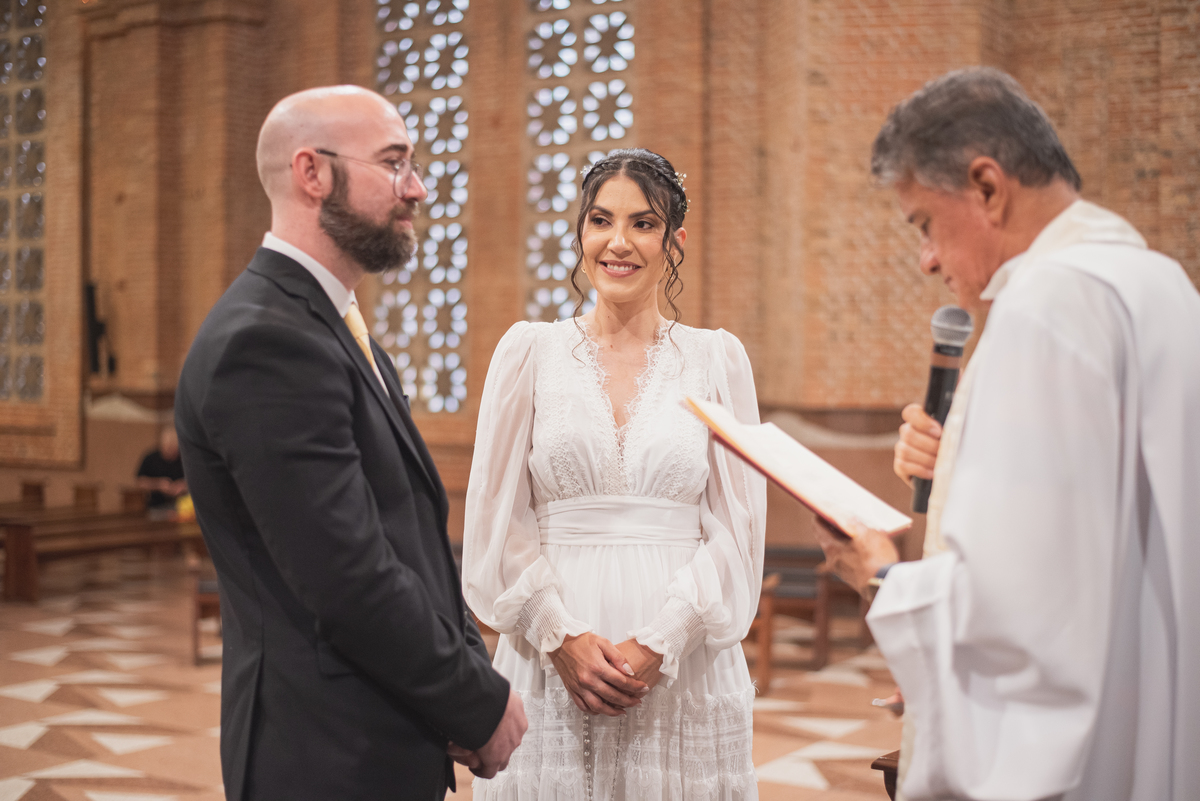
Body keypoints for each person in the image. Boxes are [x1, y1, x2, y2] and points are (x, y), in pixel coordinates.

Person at [815, 67, 1200, 801]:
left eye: (924, 223)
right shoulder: (1162, 286)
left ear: (987, 186)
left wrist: (877, 572)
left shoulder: (1043, 306)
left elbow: (1018, 621)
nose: (927, 258)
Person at [175, 86, 525, 801]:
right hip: (322, 754)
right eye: (395, 163)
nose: (418, 188)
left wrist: (464, 677)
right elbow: (347, 573)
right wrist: (474, 701)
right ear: (313, 173)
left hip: (377, 729)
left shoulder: (332, 327)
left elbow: (410, 537)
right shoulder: (267, 340)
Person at [462, 148, 767, 799]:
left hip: (684, 665)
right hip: (551, 658)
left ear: (674, 239)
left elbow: (735, 531)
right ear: (580, 233)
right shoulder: (530, 353)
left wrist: (663, 640)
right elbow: (497, 520)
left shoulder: (716, 360)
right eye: (600, 220)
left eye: (643, 223)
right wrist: (559, 635)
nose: (618, 242)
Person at [135, 426, 187, 516]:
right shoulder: (150, 458)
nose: (170, 452)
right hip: (156, 508)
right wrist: (158, 484)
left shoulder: (184, 459)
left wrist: (183, 485)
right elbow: (140, 482)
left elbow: (197, 480)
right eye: (167, 448)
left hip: (181, 507)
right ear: (162, 445)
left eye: (173, 449)